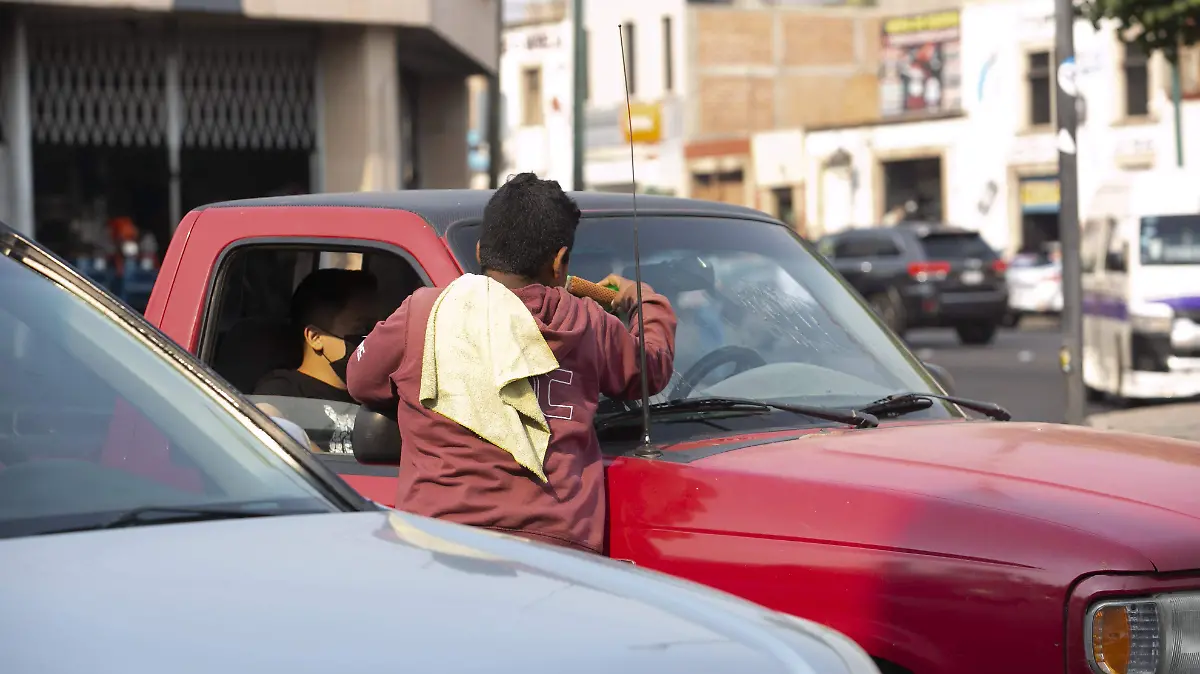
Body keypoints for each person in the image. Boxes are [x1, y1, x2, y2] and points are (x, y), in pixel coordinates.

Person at [346, 173, 677, 555]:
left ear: (481, 249)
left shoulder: (424, 314)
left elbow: (359, 379)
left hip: (435, 548)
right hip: (560, 558)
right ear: (560, 261)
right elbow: (651, 366)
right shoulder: (589, 323)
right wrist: (642, 300)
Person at [254, 268, 378, 403]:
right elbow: (263, 414)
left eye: (376, 327)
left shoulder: (371, 396)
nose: (373, 337)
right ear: (315, 337)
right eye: (361, 329)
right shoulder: (282, 391)